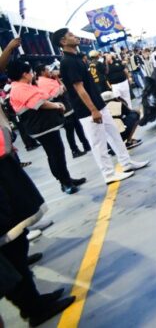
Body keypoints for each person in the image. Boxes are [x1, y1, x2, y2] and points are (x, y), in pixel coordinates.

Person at [0, 39, 77, 325]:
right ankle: (32, 307)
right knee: (9, 244)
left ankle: (32, 300)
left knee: (14, 241)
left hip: (4, 164)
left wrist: (9, 48)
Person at [52, 28, 149, 185]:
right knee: (98, 143)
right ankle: (108, 174)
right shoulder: (67, 62)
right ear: (63, 41)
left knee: (114, 135)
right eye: (71, 35)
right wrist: (93, 110)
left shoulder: (77, 58)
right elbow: (79, 89)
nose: (75, 36)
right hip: (88, 111)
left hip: (99, 105)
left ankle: (126, 162)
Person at [7, 61, 87, 194]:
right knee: (54, 154)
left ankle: (66, 179)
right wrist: (57, 106)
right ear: (25, 74)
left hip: (45, 125)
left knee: (57, 152)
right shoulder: (19, 88)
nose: (32, 75)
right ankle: (65, 183)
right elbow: (39, 103)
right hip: (41, 127)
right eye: (30, 72)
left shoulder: (23, 86)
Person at [34, 64, 91, 159]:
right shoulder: (43, 82)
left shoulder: (47, 80)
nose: (49, 71)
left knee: (77, 126)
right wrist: (59, 82)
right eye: (47, 70)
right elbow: (59, 91)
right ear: (42, 72)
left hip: (66, 105)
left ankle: (85, 144)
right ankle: (74, 149)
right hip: (62, 107)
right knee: (70, 129)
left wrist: (57, 79)